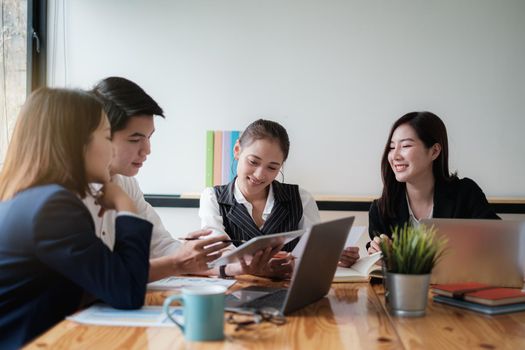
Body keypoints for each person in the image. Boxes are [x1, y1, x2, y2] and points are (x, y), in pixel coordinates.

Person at [0, 88, 153, 349]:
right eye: (107, 137)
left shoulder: (29, 199)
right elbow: (127, 292)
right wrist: (125, 205)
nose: (113, 152)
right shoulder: (54, 207)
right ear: (75, 143)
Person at [87, 77, 230, 282]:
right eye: (135, 139)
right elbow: (107, 275)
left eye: (149, 137)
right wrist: (180, 259)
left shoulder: (127, 184)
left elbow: (160, 245)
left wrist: (233, 265)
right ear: (99, 136)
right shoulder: (67, 193)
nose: (147, 150)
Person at [199, 119, 321, 279]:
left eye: (272, 167)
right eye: (253, 162)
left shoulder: (301, 199)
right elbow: (217, 253)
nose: (259, 175)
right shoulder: (212, 198)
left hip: (287, 291)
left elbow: (314, 251)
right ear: (237, 150)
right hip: (233, 293)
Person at [366, 111, 500, 254]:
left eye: (405, 146)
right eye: (392, 147)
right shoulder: (381, 210)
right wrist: (378, 253)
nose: (395, 156)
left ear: (434, 151)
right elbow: (381, 272)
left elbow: (499, 242)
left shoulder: (466, 194)